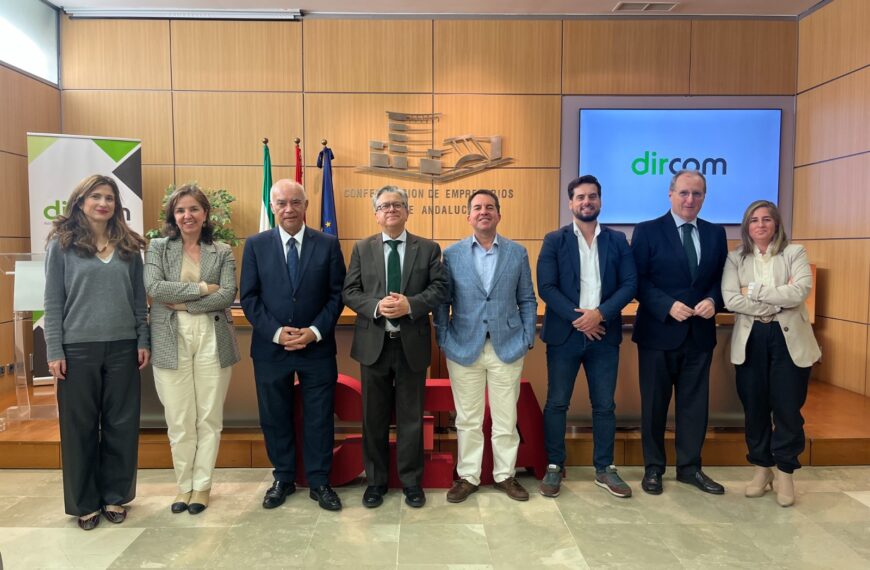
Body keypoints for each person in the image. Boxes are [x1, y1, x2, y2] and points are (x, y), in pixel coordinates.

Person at [44, 174, 150, 530]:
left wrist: (142, 339)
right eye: (96, 196)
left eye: (109, 197)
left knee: (121, 426)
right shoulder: (61, 244)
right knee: (80, 429)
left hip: (123, 348)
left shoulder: (129, 246)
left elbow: (139, 300)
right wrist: (54, 348)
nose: (103, 203)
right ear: (80, 201)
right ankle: (84, 503)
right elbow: (53, 302)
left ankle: (115, 496)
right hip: (77, 350)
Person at [240, 180, 346, 512]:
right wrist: (276, 332)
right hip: (271, 349)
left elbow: (336, 295)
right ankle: (283, 477)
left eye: (295, 202)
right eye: (282, 203)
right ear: (273, 207)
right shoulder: (256, 245)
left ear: (306, 205)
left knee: (319, 417)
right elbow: (249, 297)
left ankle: (319, 481)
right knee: (275, 416)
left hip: (316, 347)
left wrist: (314, 331)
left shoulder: (327, 244)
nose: (289, 209)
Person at [343, 185, 448, 509]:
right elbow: (350, 291)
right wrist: (376, 306)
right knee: (372, 417)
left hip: (411, 345)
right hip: (374, 344)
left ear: (407, 211)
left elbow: (440, 288)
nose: (391, 209)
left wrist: (411, 305)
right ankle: (375, 482)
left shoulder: (428, 248)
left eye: (398, 205)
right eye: (385, 205)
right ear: (376, 214)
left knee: (411, 418)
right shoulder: (362, 248)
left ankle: (411, 483)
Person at [536, 175, 637, 499]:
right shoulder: (554, 240)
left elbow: (630, 284)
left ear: (600, 201)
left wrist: (600, 314)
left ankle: (604, 468)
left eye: (592, 196)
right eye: (580, 197)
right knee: (557, 403)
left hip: (604, 335)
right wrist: (582, 319)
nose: (586, 202)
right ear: (570, 203)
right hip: (565, 335)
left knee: (604, 406)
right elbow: (547, 287)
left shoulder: (618, 240)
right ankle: (554, 466)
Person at [434, 190, 537, 503]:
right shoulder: (451, 255)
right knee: (467, 419)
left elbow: (527, 299)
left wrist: (527, 336)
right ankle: (469, 476)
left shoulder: (517, 253)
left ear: (498, 215)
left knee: (506, 419)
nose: (483, 212)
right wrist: (443, 338)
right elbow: (442, 302)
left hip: (507, 346)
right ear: (468, 216)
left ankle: (505, 476)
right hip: (464, 347)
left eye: (489, 207)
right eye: (477, 207)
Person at [631, 169, 728, 495]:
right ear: (671, 194)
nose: (690, 200)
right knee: (654, 406)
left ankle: (690, 468)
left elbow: (721, 280)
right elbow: (637, 281)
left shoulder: (716, 234)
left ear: (704, 198)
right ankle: (654, 469)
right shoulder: (646, 231)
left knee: (694, 406)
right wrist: (666, 305)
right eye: (684, 193)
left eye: (697, 194)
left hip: (699, 336)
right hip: (658, 333)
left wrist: (715, 300)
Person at [144, 184, 240, 515]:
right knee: (180, 418)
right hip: (170, 339)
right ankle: (183, 485)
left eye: (194, 209)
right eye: (181, 209)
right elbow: (155, 288)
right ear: (173, 214)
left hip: (212, 337)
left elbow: (227, 294)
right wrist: (200, 289)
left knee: (209, 417)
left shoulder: (222, 250)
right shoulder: (157, 247)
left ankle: (202, 486)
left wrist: (183, 305)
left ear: (205, 214)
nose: (188, 215)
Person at [722, 200, 821, 507]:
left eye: (767, 219)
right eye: (754, 220)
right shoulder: (736, 257)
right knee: (755, 407)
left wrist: (752, 292)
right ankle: (762, 469)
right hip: (752, 339)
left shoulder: (795, 253)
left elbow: (800, 291)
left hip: (787, 339)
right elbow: (729, 298)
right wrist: (777, 301)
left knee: (788, 407)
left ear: (776, 224)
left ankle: (786, 472)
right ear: (746, 226)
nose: (761, 225)